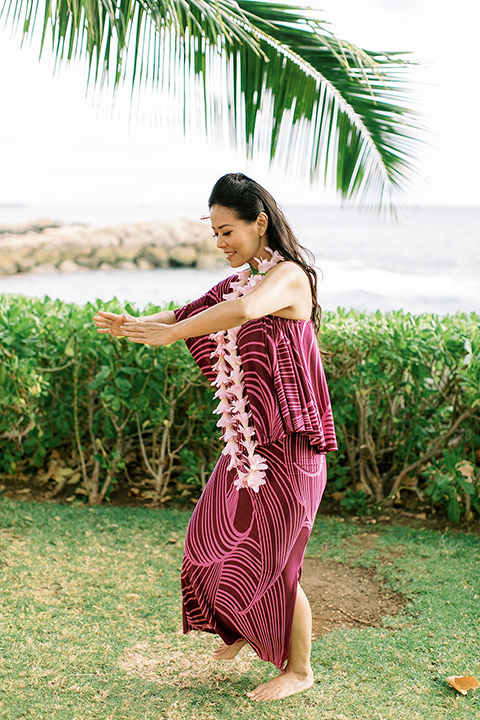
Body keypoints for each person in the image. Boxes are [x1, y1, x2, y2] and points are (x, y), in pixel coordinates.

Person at [93, 173, 337, 702]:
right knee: (210, 540)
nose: (221, 242)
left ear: (260, 223)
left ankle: (300, 670)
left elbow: (242, 313)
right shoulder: (238, 282)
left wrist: (175, 332)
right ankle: (242, 628)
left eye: (228, 231)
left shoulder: (289, 278)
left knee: (277, 561)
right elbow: (189, 315)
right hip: (246, 446)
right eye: (215, 234)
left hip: (290, 447)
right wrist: (138, 324)